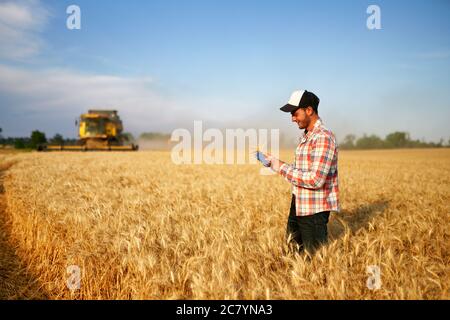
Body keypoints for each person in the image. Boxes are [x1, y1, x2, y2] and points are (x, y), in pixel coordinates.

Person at [264, 90, 340, 255]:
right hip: (298, 203)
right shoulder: (307, 136)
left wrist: (280, 166)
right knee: (292, 254)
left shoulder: (323, 137)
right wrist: (275, 163)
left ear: (309, 110)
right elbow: (302, 170)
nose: (292, 118)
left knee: (314, 263)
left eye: (295, 113)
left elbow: (315, 180)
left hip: (313, 211)